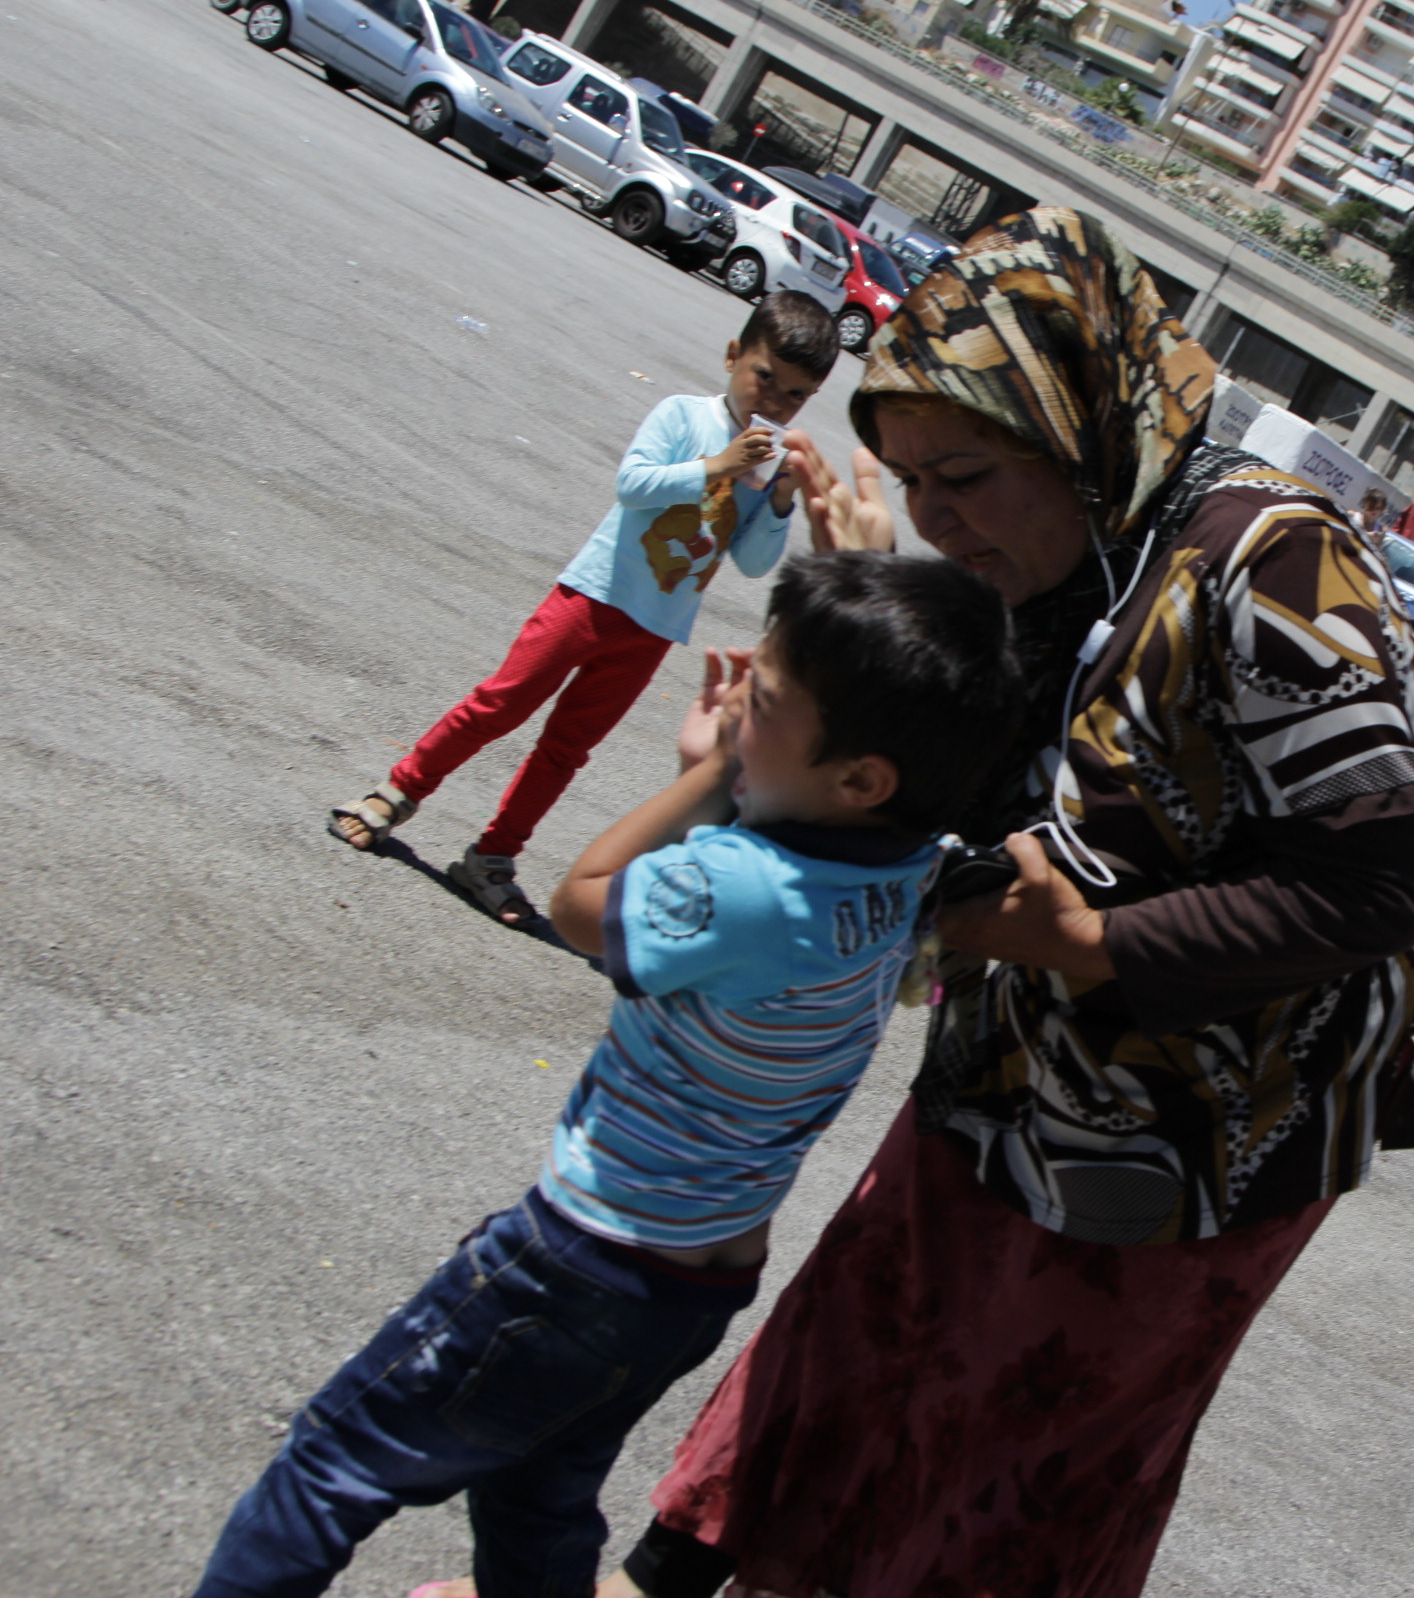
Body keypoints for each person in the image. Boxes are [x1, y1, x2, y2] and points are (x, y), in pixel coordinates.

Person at [600, 208, 1414, 1598]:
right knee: (867, 1321)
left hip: (1206, 1135)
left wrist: (1089, 940)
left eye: (967, 476)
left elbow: (1369, 890)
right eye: (912, 481)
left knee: (1028, 1451)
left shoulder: (1279, 567)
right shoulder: (1068, 558)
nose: (940, 516)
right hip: (1013, 1060)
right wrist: (829, 654)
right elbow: (959, 777)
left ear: (1076, 426)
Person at [190, 552, 1027, 1598]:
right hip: (691, 1282)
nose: (739, 719)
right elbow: (798, 857)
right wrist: (756, 764)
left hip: (577, 1259)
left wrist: (706, 772)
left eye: (761, 705)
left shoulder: (742, 881)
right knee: (538, 1495)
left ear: (860, 778)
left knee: (330, 1467)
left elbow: (584, 900)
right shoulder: (909, 864)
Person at [325, 295, 839, 927]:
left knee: (567, 748)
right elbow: (633, 484)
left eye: (798, 395)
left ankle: (492, 858)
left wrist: (782, 500)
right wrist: (716, 466)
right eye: (766, 378)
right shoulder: (684, 416)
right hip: (591, 598)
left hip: (652, 629)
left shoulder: (769, 460)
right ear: (733, 355)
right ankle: (399, 791)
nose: (777, 402)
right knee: (500, 704)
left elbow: (754, 562)